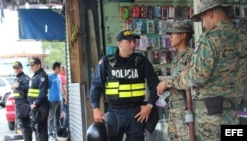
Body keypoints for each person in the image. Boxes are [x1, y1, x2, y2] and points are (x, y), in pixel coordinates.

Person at [157, 0, 247, 140]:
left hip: (209, 119)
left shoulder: (210, 39)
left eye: (202, 19)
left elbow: (197, 77)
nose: (203, 25)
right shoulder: (243, 37)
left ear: (210, 13)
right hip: (232, 114)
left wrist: (174, 81)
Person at [89, 30, 159, 141]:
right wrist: (95, 108)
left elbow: (155, 85)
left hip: (137, 113)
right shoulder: (106, 62)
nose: (133, 44)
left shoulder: (141, 61)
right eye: (129, 41)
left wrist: (149, 106)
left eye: (134, 41)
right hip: (114, 113)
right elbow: (96, 86)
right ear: (119, 43)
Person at [156, 20, 194, 141]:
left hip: (185, 111)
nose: (170, 37)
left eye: (173, 34)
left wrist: (167, 83)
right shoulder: (177, 57)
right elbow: (178, 79)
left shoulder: (192, 56)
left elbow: (189, 80)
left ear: (183, 36)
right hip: (173, 111)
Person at [27, 57, 50, 141]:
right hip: (35, 107)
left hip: (40, 106)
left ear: (38, 65)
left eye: (33, 65)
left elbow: (43, 92)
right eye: (30, 65)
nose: (31, 67)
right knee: (36, 128)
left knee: (41, 128)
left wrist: (35, 103)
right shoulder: (35, 76)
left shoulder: (42, 76)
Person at [11, 61, 32, 141]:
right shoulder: (17, 78)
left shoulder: (24, 77)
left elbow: (28, 87)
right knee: (22, 125)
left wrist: (18, 86)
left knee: (25, 124)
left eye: (17, 68)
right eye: (15, 68)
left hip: (24, 103)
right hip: (19, 104)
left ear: (21, 68)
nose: (16, 69)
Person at [48, 62, 64, 140]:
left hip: (59, 100)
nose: (61, 69)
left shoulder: (59, 76)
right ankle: (50, 134)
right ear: (56, 68)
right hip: (52, 100)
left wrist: (65, 97)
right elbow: (46, 88)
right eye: (60, 67)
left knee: (58, 117)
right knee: (51, 118)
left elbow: (61, 87)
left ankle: (57, 132)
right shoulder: (50, 77)